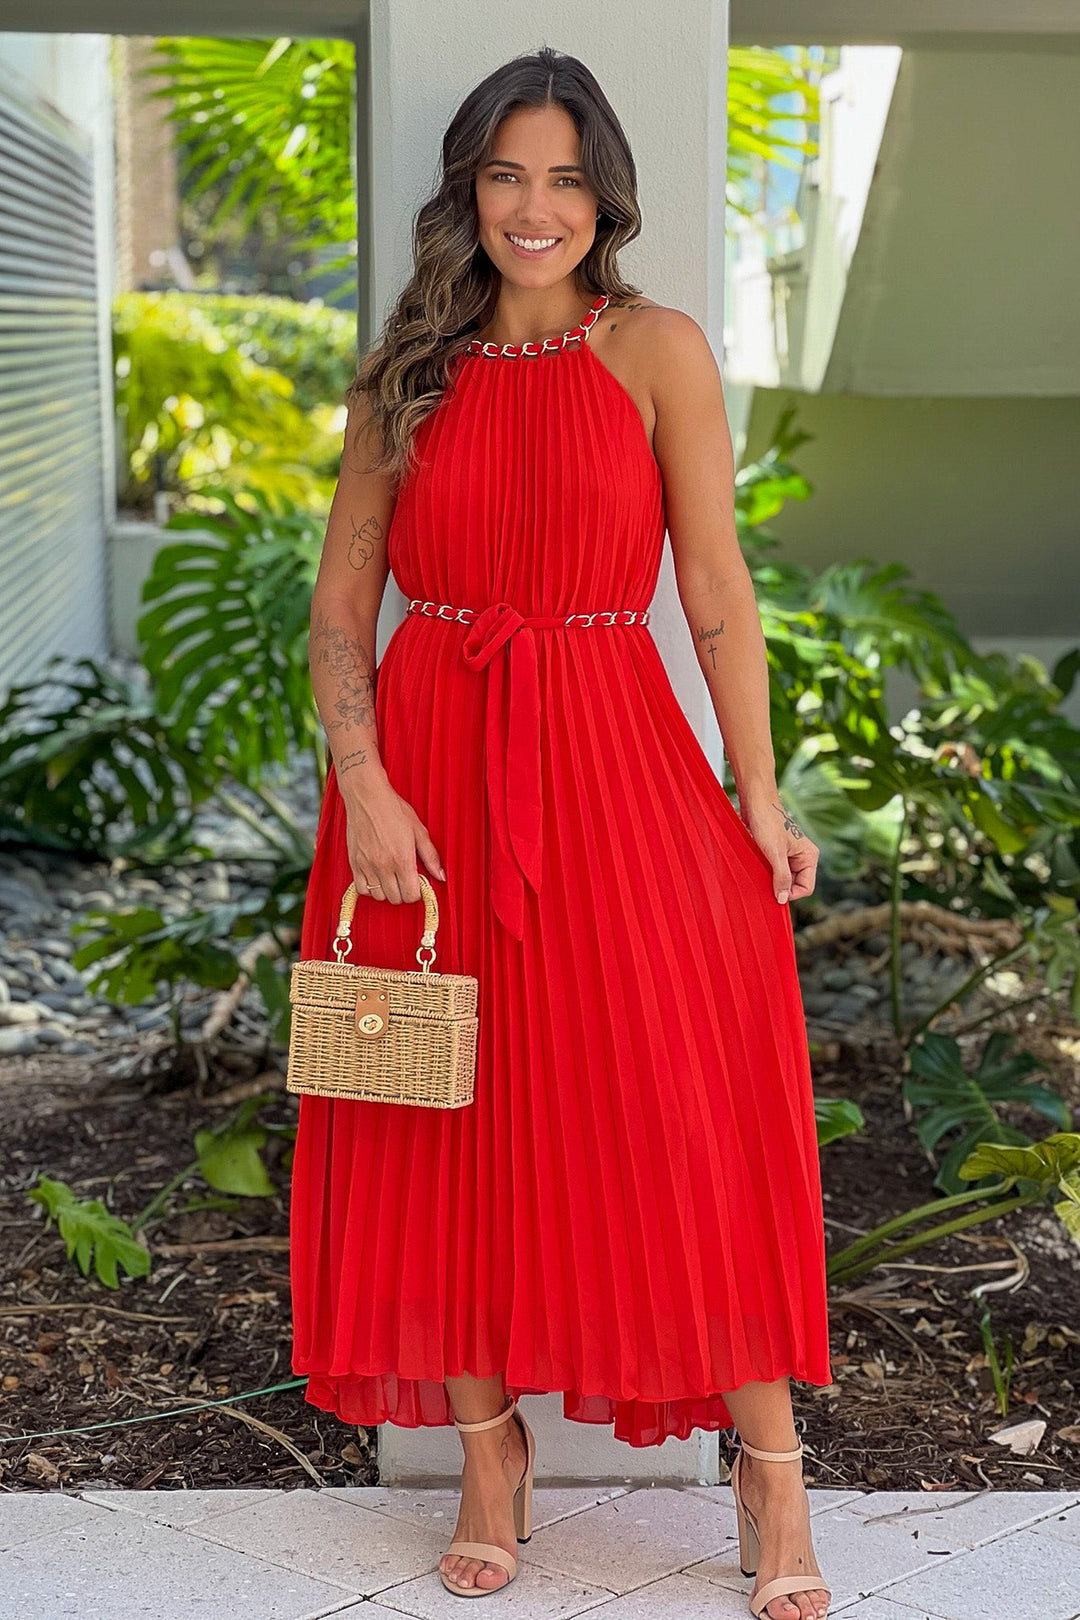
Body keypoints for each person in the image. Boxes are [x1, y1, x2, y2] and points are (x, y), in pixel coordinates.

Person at [288, 45, 833, 1618]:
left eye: (568, 178)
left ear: (607, 197)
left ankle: (772, 1472)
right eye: (509, 176)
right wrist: (365, 782)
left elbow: (717, 597)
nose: (538, 208)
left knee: (679, 1100)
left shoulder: (659, 349)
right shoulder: (408, 371)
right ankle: (486, 1455)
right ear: (469, 189)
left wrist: (760, 794)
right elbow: (339, 616)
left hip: (609, 749)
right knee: (435, 1117)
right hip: (424, 781)